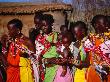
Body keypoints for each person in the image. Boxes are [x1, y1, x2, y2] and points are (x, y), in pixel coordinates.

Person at [84, 15, 110, 82]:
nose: (108, 24)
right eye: (105, 23)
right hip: (93, 75)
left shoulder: (108, 38)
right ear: (96, 25)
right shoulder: (89, 40)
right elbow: (87, 61)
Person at [35, 14, 60, 82]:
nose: (44, 27)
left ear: (51, 24)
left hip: (57, 68)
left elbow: (62, 52)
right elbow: (38, 57)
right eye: (42, 26)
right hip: (45, 69)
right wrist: (47, 60)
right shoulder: (39, 39)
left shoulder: (58, 36)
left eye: (45, 25)